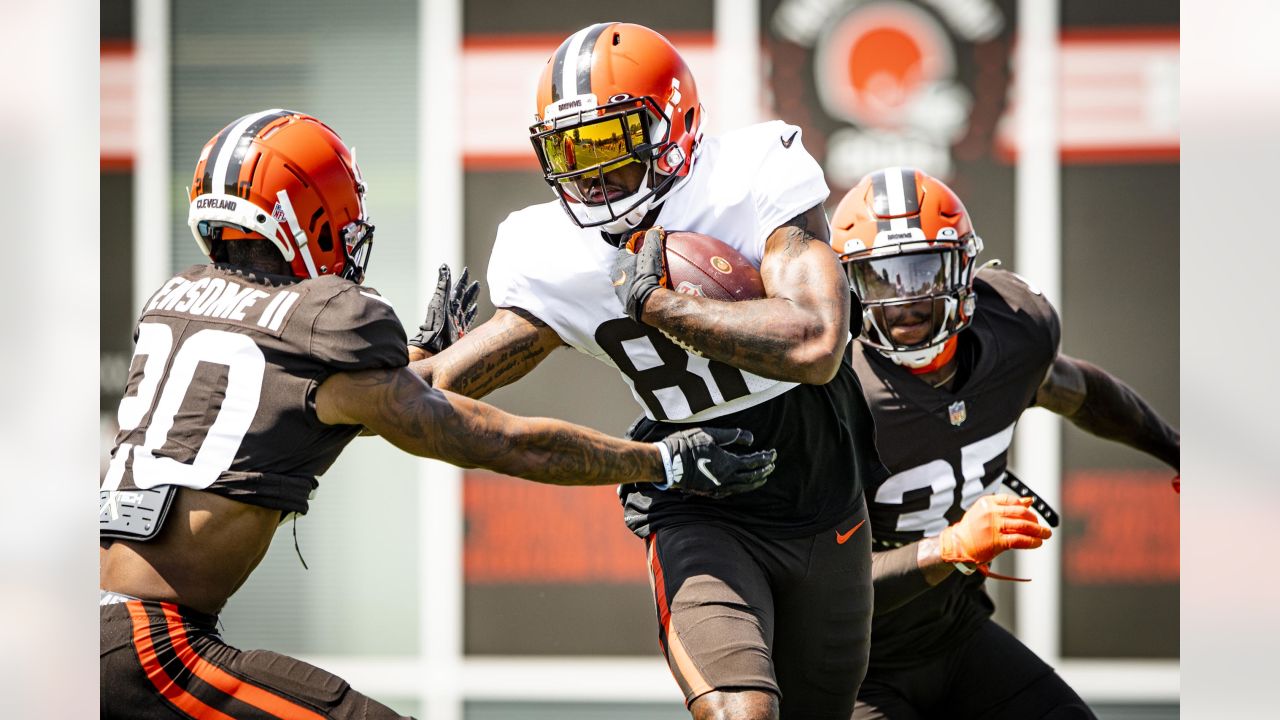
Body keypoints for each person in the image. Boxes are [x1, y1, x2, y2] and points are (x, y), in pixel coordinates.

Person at [98, 109, 776, 720]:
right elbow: (496, 441)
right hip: (154, 651)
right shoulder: (324, 322)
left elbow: (286, 404)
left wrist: (415, 360)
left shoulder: (178, 298)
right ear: (313, 213)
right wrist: (661, 460)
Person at [415, 22, 886, 720]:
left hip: (821, 487)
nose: (590, 168)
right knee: (739, 712)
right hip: (696, 493)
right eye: (568, 147)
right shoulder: (550, 249)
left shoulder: (750, 175)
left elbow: (816, 344)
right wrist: (419, 361)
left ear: (676, 125)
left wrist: (659, 304)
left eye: (610, 139)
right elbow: (406, 402)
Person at [828, 167, 1181, 720]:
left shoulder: (1013, 332)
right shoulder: (831, 394)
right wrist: (951, 546)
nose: (906, 304)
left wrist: (1177, 451)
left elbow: (1079, 390)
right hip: (852, 666)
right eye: (882, 281)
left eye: (923, 273)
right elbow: (819, 585)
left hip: (957, 633)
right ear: (848, 289)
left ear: (965, 268)